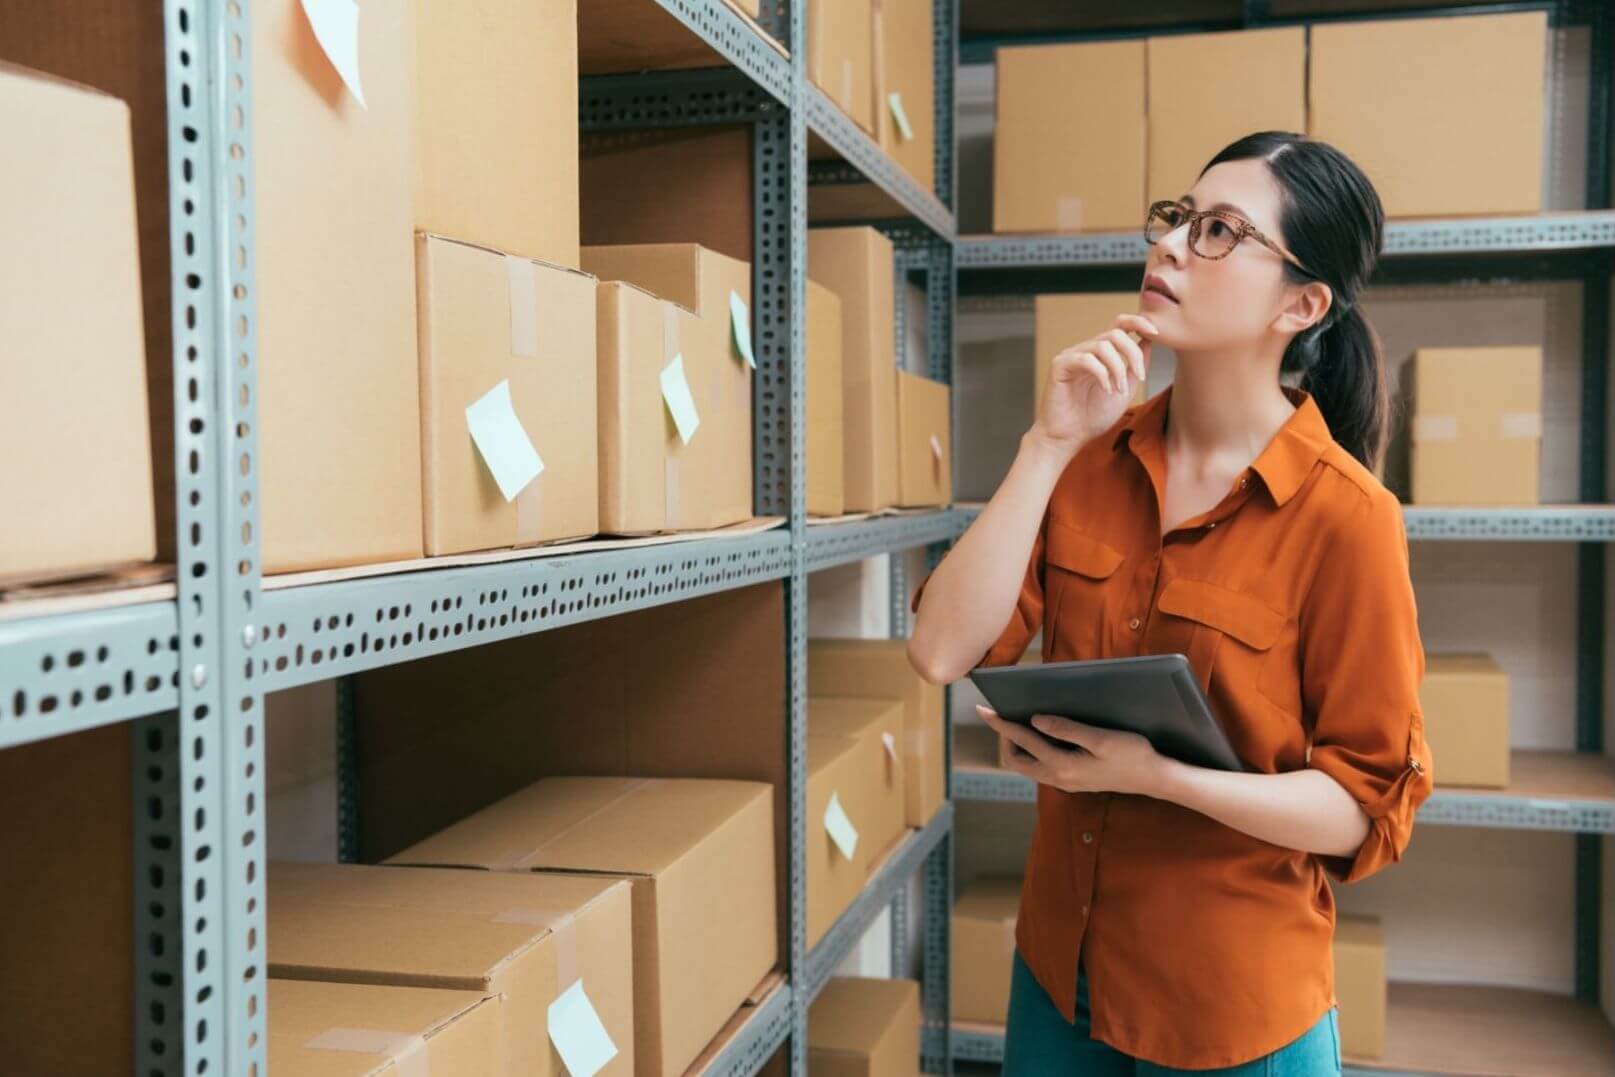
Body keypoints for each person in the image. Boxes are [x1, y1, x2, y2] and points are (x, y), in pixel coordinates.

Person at [908, 131, 1434, 1075]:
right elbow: (939, 649)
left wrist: (1156, 776)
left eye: (1222, 232)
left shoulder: (1349, 519)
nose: (1173, 246)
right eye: (1179, 219)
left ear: (1302, 303)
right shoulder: (1087, 459)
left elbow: (1360, 807)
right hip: (1056, 979)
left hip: (1230, 1011)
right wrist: (1046, 440)